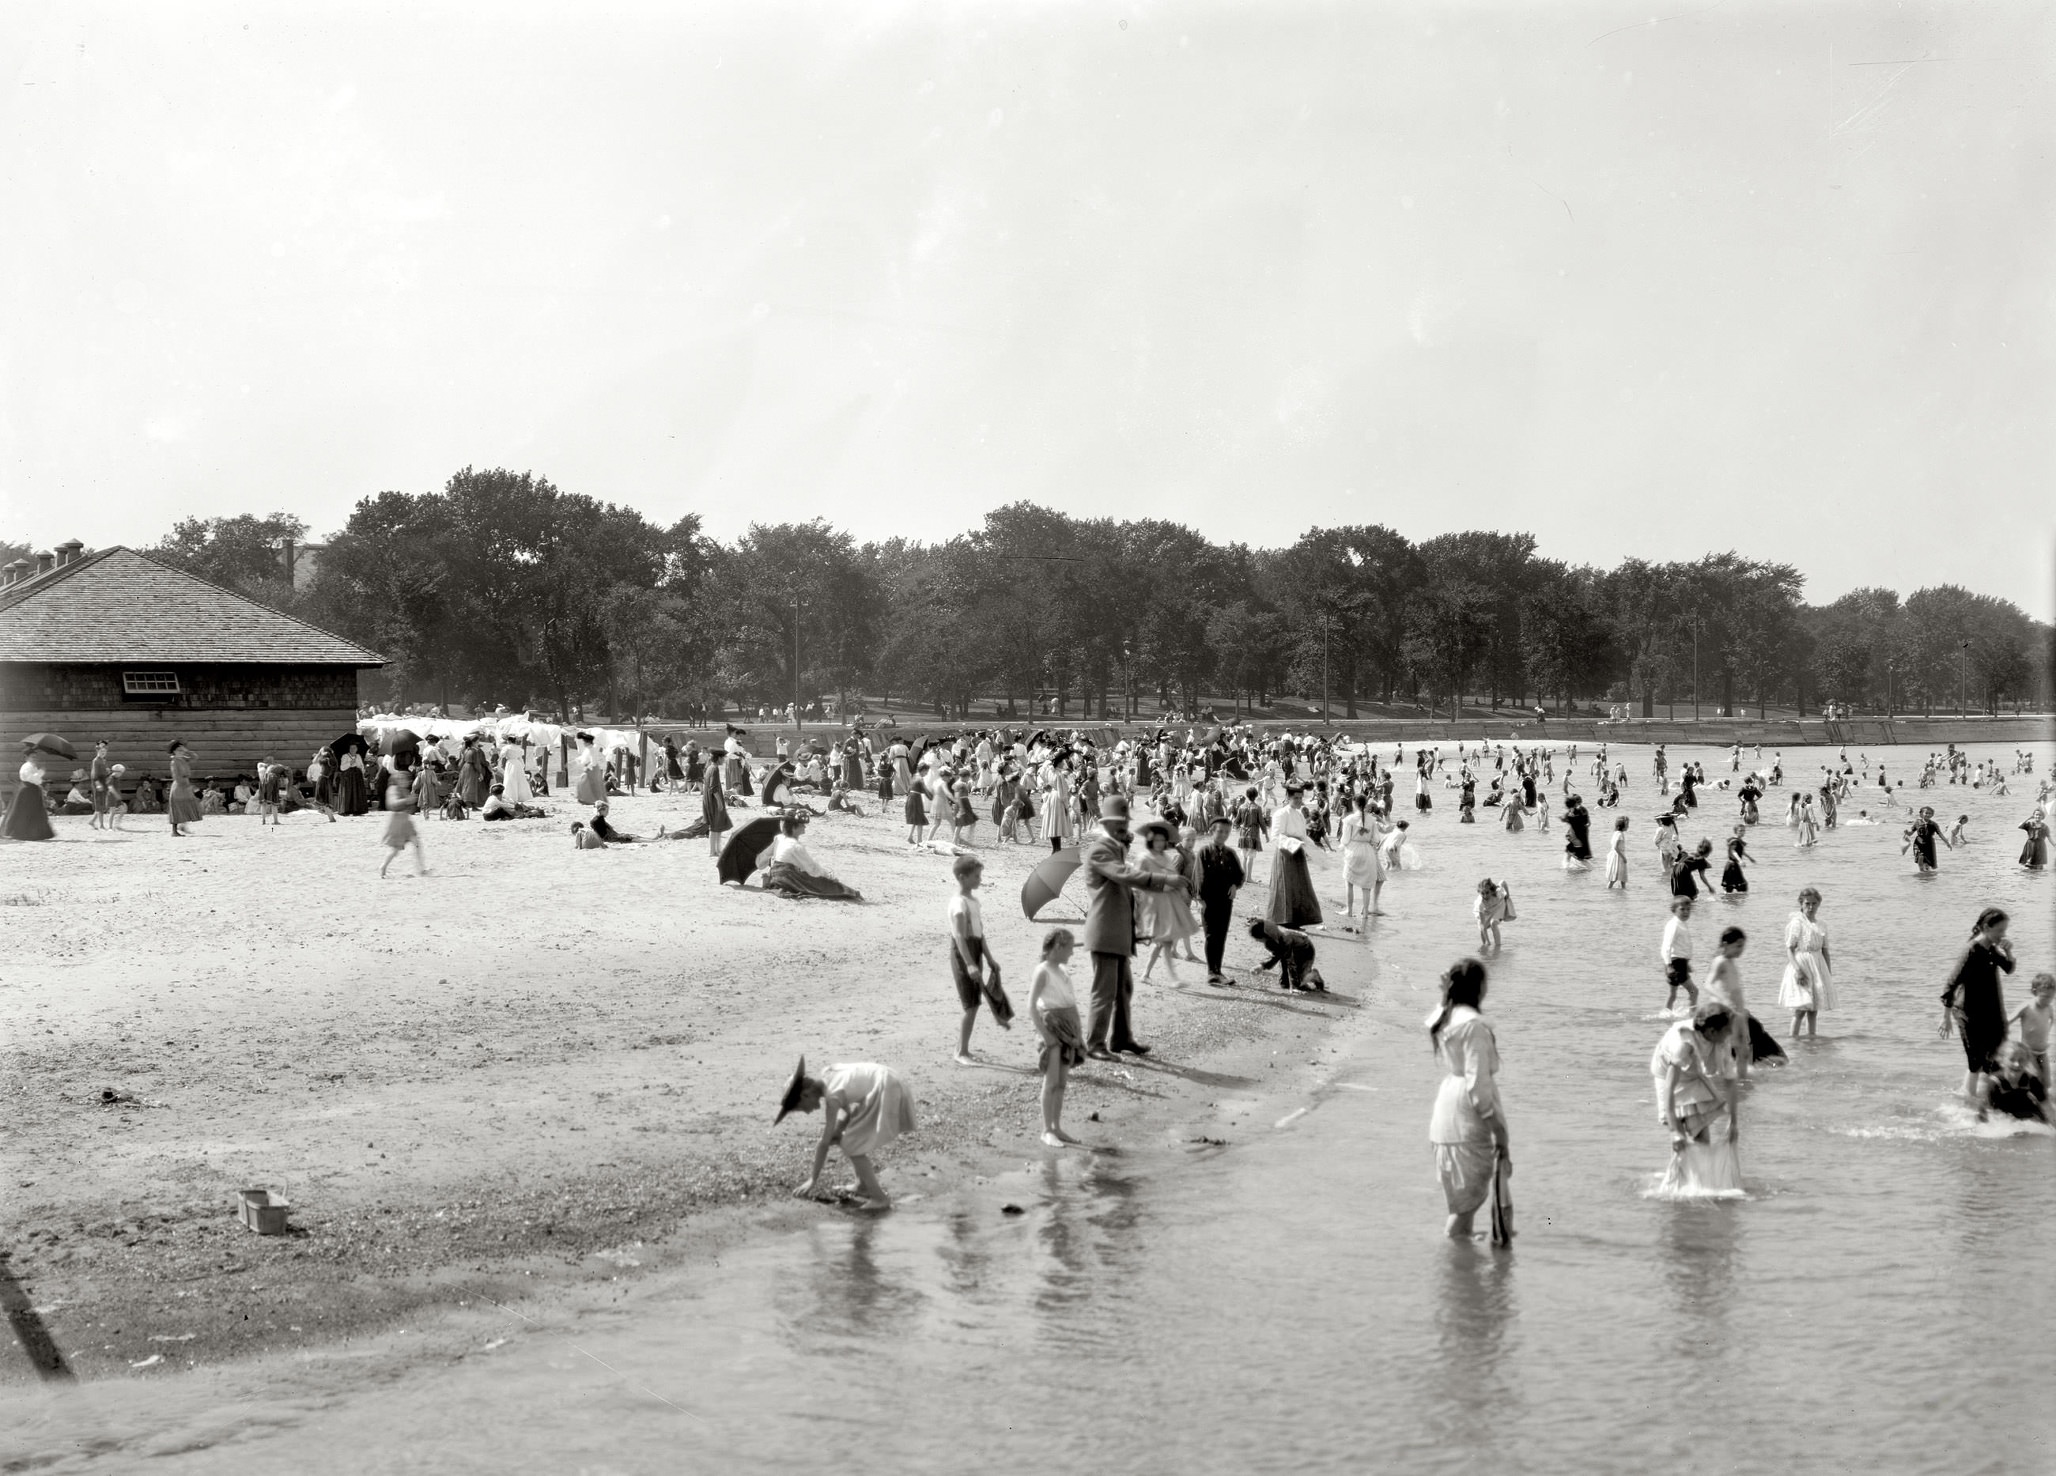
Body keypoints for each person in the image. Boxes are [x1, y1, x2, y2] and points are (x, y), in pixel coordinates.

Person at [1080, 795, 1191, 1059]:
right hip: (1106, 930)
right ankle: (1095, 1043)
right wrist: (1165, 879)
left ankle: (1120, 1038)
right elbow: (1126, 876)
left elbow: (1131, 884)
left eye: (1125, 821)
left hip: (1118, 930)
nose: (1123, 826)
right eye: (1119, 822)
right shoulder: (1100, 850)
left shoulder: (1115, 850)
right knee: (1105, 991)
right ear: (1105, 824)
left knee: (1123, 988)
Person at [1427, 958, 1511, 1243]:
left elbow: (1436, 1017)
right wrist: (1499, 1129)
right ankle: (1455, 1259)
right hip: (1465, 1117)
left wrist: (1444, 993)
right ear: (1479, 988)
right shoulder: (1473, 1026)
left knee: (1460, 1200)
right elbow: (1478, 1085)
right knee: (1468, 1201)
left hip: (1445, 1113)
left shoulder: (1448, 1017)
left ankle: (1462, 1245)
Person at [779, 1056, 917, 1211]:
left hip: (886, 1087)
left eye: (802, 1108)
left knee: (851, 1144)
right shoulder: (828, 1075)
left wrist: (813, 1179)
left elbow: (824, 1143)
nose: (807, 1112)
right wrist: (838, 1131)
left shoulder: (832, 1097)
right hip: (889, 1079)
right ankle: (862, 1185)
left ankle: (880, 1198)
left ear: (805, 1095)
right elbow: (848, 1113)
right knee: (847, 1139)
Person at [1651, 1005, 1742, 1197]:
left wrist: (1734, 1123)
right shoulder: (1684, 1043)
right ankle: (1679, 1183)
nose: (1731, 1033)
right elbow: (1669, 1088)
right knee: (1681, 1138)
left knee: (1702, 1136)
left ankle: (1700, 1184)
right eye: (1727, 1030)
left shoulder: (1720, 1040)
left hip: (1693, 1073)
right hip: (1666, 1072)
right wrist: (1675, 1132)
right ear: (1711, 1031)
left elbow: (1730, 1081)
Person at [1941, 907, 2015, 1100]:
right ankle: (1969, 1100)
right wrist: (1946, 1018)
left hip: (1992, 1011)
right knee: (1975, 1062)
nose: (2002, 935)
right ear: (1985, 927)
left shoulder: (1990, 948)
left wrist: (2008, 952)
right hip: (1969, 1013)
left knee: (1996, 1057)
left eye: (2004, 930)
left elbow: (2008, 968)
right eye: (1999, 931)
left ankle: (1990, 1100)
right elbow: (1951, 984)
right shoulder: (1972, 951)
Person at [1030, 928, 1088, 1147]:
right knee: (1051, 1081)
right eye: (1070, 948)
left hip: (1068, 1027)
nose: (1072, 953)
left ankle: (1056, 1126)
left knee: (1062, 1082)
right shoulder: (1042, 971)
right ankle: (1047, 1129)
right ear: (1058, 947)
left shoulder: (1062, 970)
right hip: (1052, 1029)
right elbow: (1032, 1006)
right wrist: (1046, 1036)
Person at [947, 854, 1007, 1063]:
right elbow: (960, 938)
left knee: (974, 1002)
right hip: (964, 954)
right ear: (962, 878)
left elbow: (979, 934)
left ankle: (963, 1048)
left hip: (975, 950)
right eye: (976, 876)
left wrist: (989, 958)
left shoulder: (973, 901)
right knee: (970, 1004)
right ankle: (960, 1052)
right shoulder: (959, 904)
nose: (979, 880)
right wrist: (970, 964)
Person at [1776, 887, 1835, 1039]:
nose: (1811, 907)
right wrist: (1798, 970)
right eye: (1807, 903)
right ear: (1801, 904)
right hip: (1801, 965)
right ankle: (1793, 1041)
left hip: (1818, 966)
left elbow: (1825, 951)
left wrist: (1828, 974)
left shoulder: (1821, 924)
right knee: (1800, 1009)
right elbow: (1789, 949)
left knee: (1813, 1009)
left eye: (1814, 904)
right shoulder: (1797, 923)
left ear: (1819, 904)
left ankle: (1811, 1040)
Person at [1192, 815, 1245, 984]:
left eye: (1227, 832)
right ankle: (1211, 972)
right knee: (1210, 935)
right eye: (1220, 831)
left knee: (1221, 935)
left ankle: (1218, 971)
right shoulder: (1204, 852)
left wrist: (1235, 886)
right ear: (1211, 832)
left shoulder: (1230, 853)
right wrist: (1200, 899)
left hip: (1225, 900)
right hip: (1208, 900)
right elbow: (1198, 876)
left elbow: (1240, 875)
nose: (1223, 835)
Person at [1249, 917, 1321, 991]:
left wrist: (1262, 966)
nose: (1256, 941)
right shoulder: (1272, 939)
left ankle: (1313, 975)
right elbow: (1278, 955)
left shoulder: (1285, 940)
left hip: (1304, 952)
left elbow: (1287, 960)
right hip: (1288, 953)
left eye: (1257, 938)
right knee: (1284, 983)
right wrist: (1263, 965)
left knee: (1298, 983)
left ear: (1265, 936)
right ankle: (1298, 979)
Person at [379, 765, 426, 877]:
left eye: (406, 779)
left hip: (406, 821)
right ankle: (383, 866)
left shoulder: (404, 790)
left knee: (416, 843)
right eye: (402, 779)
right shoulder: (393, 789)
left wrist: (411, 801)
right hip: (397, 822)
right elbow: (392, 804)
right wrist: (407, 800)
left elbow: (409, 807)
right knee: (395, 849)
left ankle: (421, 869)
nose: (405, 781)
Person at [3, 743, 56, 842]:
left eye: (35, 757)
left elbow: (37, 780)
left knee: (33, 812)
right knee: (25, 812)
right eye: (32, 757)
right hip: (27, 791)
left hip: (32, 790)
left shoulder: (32, 766)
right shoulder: (26, 766)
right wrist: (41, 772)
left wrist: (39, 776)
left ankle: (33, 833)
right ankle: (21, 832)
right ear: (26, 757)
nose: (34, 758)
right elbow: (32, 779)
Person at [2008, 972, 2054, 1085]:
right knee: (2035, 1078)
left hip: (2043, 1052)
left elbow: (2053, 1020)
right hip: (2028, 1052)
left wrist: (2048, 1034)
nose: (2048, 1001)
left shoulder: (2049, 1008)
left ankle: (2045, 1100)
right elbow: (2007, 1021)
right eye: (2045, 997)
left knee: (2047, 1082)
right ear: (2034, 992)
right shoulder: (2027, 1007)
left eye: (2051, 997)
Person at [1660, 897, 1697, 1013]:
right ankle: (1692, 1016)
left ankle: (1665, 1015)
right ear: (1674, 910)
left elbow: (1681, 946)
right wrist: (1668, 965)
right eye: (1682, 909)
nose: (1686, 912)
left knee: (1673, 994)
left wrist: (1687, 963)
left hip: (1679, 962)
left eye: (1688, 909)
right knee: (1694, 991)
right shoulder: (1674, 925)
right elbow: (1666, 946)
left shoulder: (1681, 924)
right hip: (1676, 964)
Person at [166, 741, 202, 837]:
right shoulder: (174, 762)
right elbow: (176, 776)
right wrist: (188, 786)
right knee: (177, 807)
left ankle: (183, 825)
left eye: (182, 750)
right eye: (179, 750)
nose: (181, 752)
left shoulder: (183, 759)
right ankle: (174, 831)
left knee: (187, 805)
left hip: (185, 784)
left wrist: (187, 751)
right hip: (179, 786)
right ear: (174, 751)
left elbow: (195, 757)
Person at [1473, 877, 1513, 953]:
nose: (1485, 896)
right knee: (1481, 928)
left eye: (1487, 892)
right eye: (1482, 893)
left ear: (1491, 891)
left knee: (1493, 923)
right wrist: (1488, 942)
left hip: (1499, 906)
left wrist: (1508, 894)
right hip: (1487, 910)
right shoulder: (1480, 903)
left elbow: (1503, 882)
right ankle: (1485, 945)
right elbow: (1482, 925)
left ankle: (1498, 947)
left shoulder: (1498, 892)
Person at [1719, 828, 1752, 894]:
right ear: (1736, 832)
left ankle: (1731, 900)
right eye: (1740, 831)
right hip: (1732, 865)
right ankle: (1728, 900)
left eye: (1743, 830)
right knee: (1739, 886)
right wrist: (1740, 860)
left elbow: (1741, 851)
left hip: (1733, 865)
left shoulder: (1739, 841)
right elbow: (1732, 851)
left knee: (1738, 886)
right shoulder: (1734, 841)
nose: (1742, 832)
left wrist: (1750, 858)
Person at [1604, 816, 1630, 889]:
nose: (1628, 826)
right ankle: (1612, 889)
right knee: (1614, 878)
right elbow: (1616, 847)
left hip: (1616, 855)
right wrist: (1623, 857)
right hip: (1618, 857)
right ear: (1623, 825)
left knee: (1622, 877)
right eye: (1627, 825)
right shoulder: (1620, 834)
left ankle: (1623, 890)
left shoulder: (1616, 833)